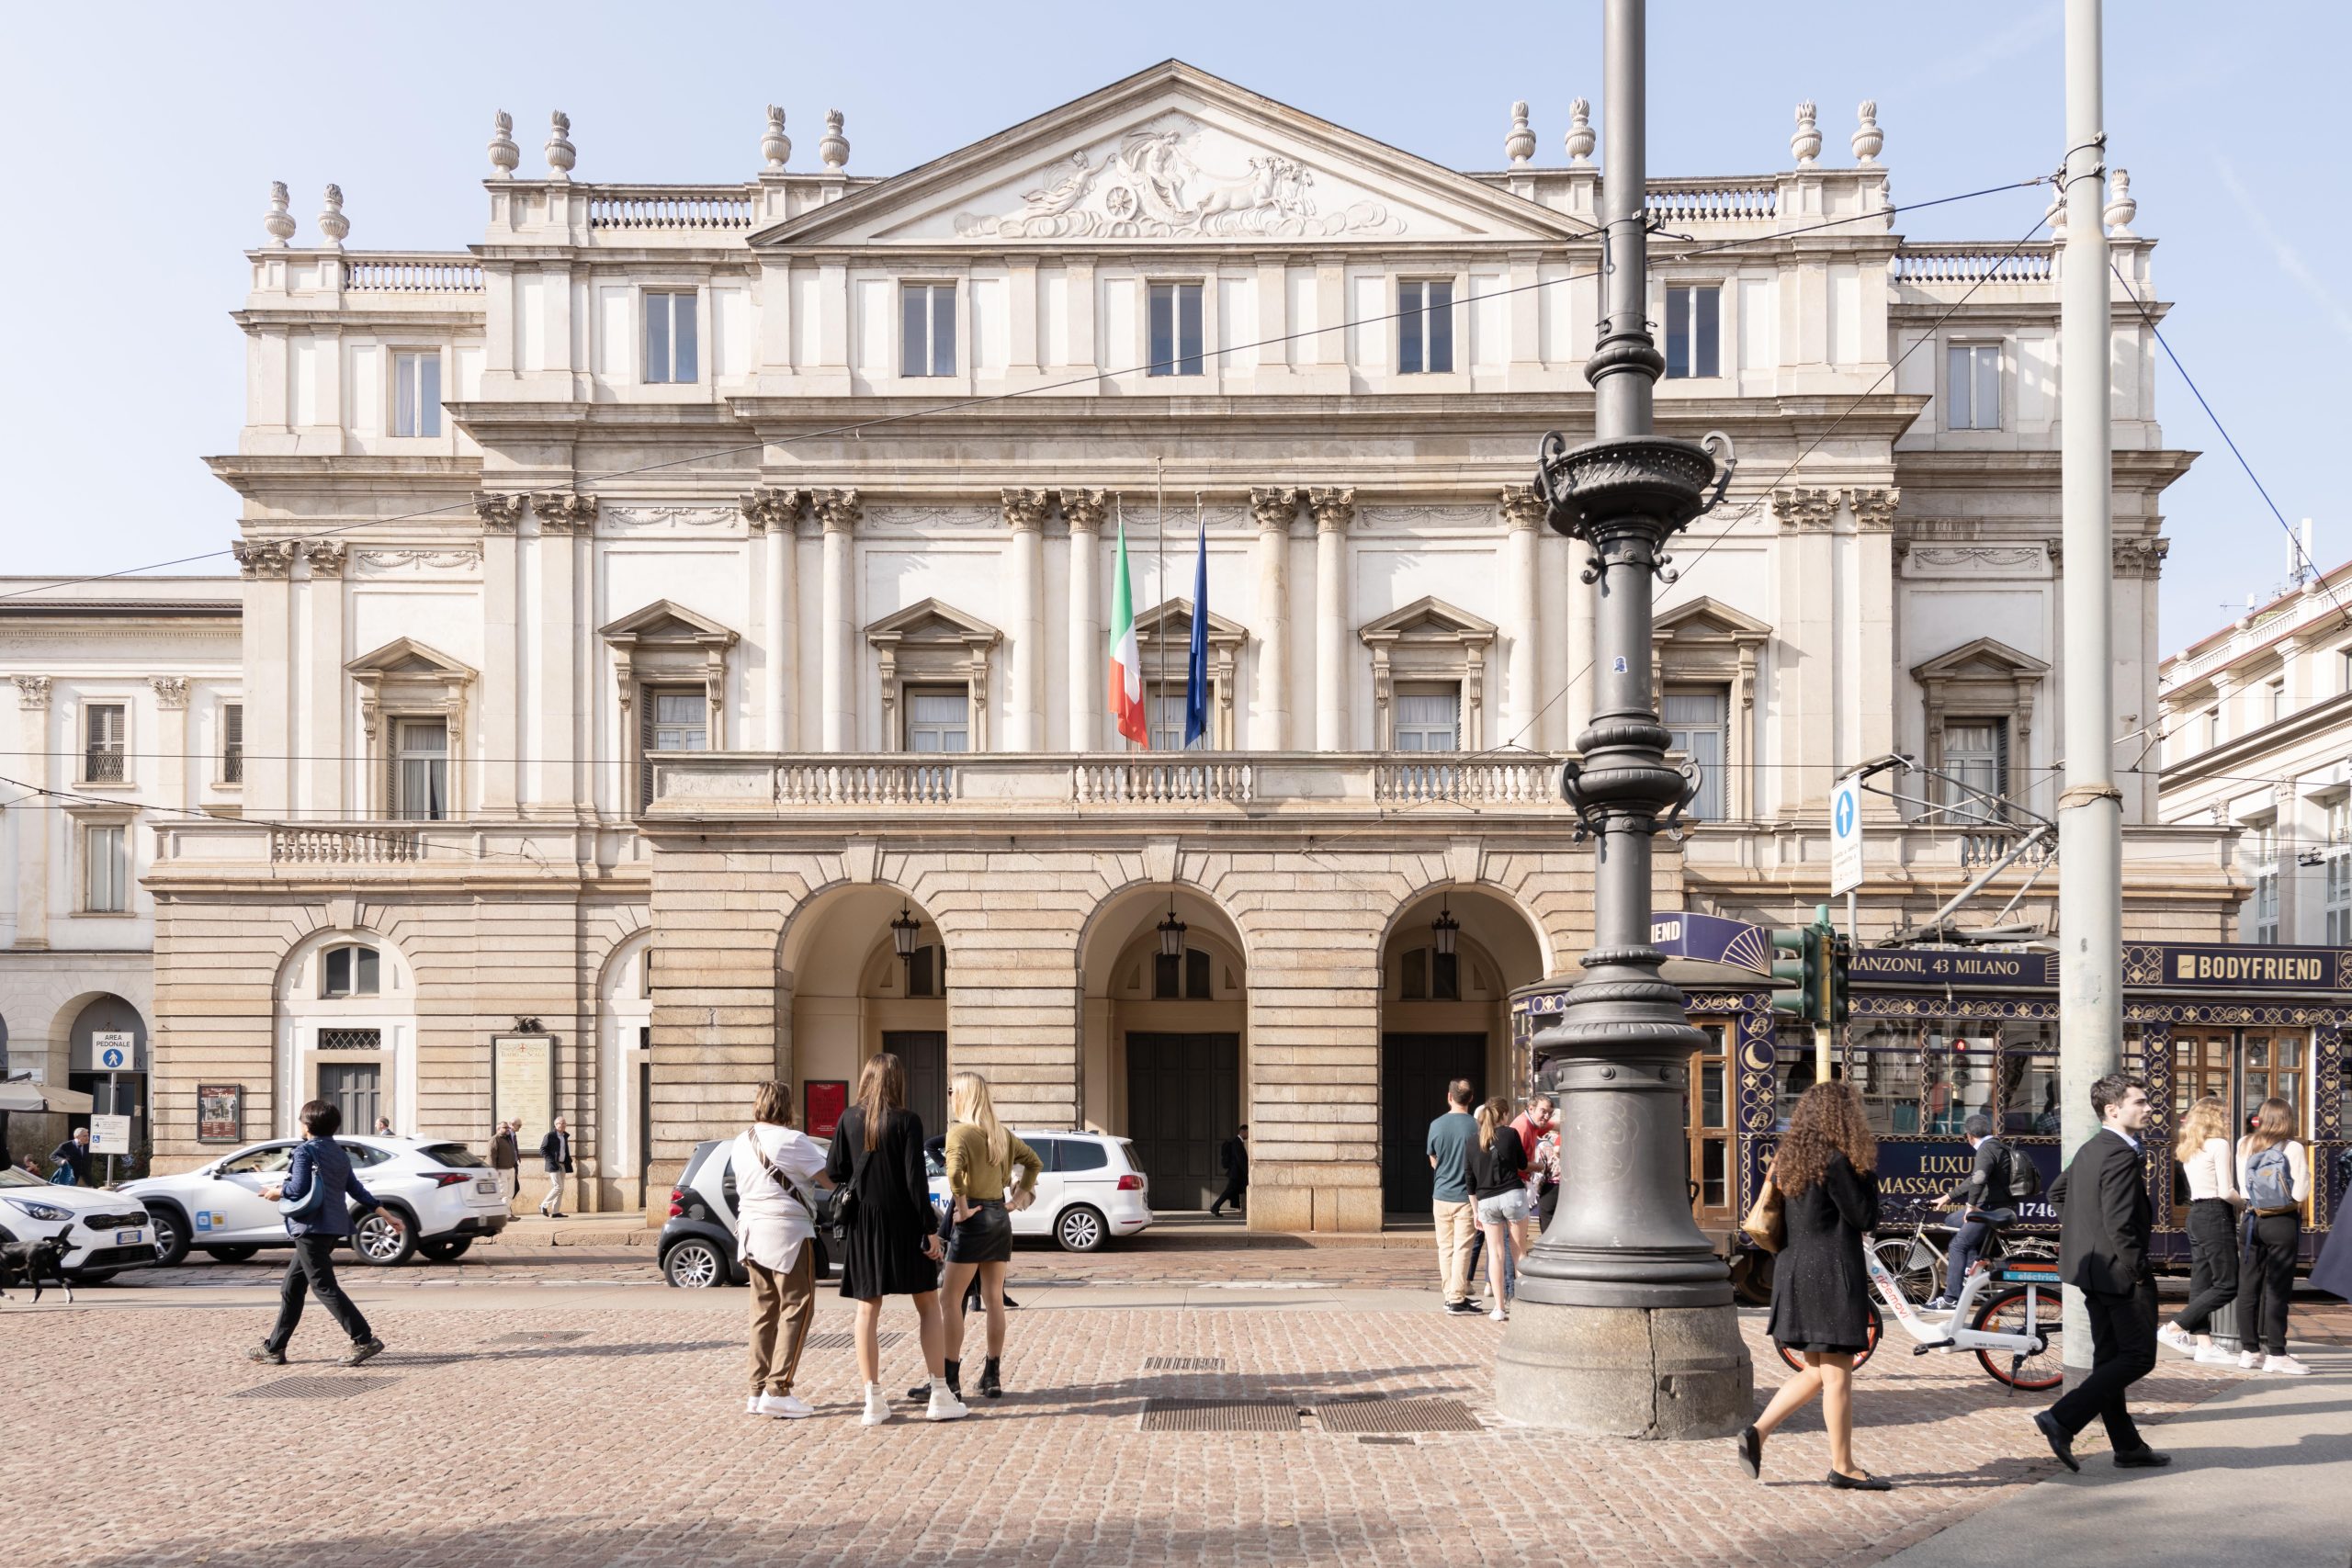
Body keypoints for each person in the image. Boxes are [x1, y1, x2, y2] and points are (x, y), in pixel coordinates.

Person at [1742, 1081, 1888, 1490]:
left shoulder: (1790, 1161)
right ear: (1844, 1119)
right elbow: (1864, 1218)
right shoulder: (1838, 1162)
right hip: (1831, 1273)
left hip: (1794, 1271)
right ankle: (1844, 1467)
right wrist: (1869, 1176)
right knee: (1838, 1374)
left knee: (1817, 1371)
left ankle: (1757, 1432)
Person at [2033, 1074, 2169, 1473]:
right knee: (2139, 1357)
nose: (2148, 1109)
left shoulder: (2093, 1148)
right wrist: (2136, 1269)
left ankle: (2127, 1447)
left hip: (2093, 1273)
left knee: (2111, 1359)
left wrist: (2086, 1235)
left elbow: (2058, 1193)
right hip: (2119, 1274)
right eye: (2139, 1102)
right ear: (2113, 1110)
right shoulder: (2120, 1153)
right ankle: (2062, 1418)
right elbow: (2120, 1220)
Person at [826, 1052, 966, 1424]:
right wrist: (929, 1230)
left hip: (864, 1226)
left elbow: (835, 1169)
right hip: (904, 1223)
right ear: (898, 1081)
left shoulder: (848, 1118)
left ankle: (872, 1399)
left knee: (867, 1310)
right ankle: (939, 1393)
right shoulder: (907, 1120)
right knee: (927, 1307)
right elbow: (914, 1180)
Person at [929, 1072, 1042, 1404]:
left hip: (974, 1217)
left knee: (950, 1300)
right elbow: (1034, 1162)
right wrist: (1017, 1199)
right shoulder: (1000, 1134)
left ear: (963, 1095)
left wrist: (961, 1209)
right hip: (998, 1219)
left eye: (952, 1091)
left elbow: (952, 1173)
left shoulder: (959, 1132)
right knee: (994, 1300)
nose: (949, 1096)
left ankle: (950, 1380)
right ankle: (992, 1376)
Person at [248, 1098, 386, 1367]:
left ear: (308, 1124)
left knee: (323, 1286)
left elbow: (297, 1189)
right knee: (292, 1287)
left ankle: (363, 1339)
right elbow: (356, 1189)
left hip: (312, 1227)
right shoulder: (337, 1152)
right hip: (330, 1228)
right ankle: (274, 1348)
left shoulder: (305, 1151)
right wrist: (387, 1215)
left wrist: (275, 1192)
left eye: (302, 1121)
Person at [730, 1080, 828, 1418]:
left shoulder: (741, 1141)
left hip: (750, 1233)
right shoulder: (793, 1139)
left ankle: (756, 1390)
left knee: (763, 1312)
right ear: (787, 1106)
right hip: (787, 1232)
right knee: (797, 1307)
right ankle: (779, 1388)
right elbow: (829, 1178)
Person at [2155, 1095, 2243, 1366]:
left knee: (2201, 1282)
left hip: (2196, 1215)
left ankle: (2205, 1346)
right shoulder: (2219, 1144)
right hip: (2216, 1214)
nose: (2227, 1118)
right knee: (2228, 1284)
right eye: (2224, 1114)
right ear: (2215, 1117)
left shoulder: (2190, 1146)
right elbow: (2226, 1190)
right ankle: (2173, 1329)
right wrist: (2246, 1204)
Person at [2235, 1097, 2312, 1375]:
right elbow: (2300, 1193)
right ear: (2287, 1119)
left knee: (2248, 1286)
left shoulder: (2244, 1143)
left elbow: (2244, 1187)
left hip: (2250, 1220)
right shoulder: (2292, 1147)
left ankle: (2249, 1351)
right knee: (2277, 1288)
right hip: (2281, 1221)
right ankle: (2277, 1353)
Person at [1927, 1112, 2012, 1311]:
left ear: (1969, 1136)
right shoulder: (1996, 1146)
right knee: (1951, 1220)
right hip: (1996, 1206)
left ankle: (1950, 1299)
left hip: (1990, 1208)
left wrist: (1971, 1206)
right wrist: (1947, 1197)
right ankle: (1970, 1267)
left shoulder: (1986, 1149)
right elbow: (1973, 1178)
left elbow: (1979, 1178)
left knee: (1957, 1246)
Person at [1467, 1097, 1527, 1322]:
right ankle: (1523, 1303)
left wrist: (1475, 1211)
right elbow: (1522, 1163)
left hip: (1486, 1200)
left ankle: (1499, 1308)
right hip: (1512, 1194)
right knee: (1519, 1251)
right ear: (1503, 1115)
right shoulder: (1511, 1134)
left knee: (1495, 1253)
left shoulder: (1472, 1141)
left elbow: (1469, 1180)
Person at [1426, 1079, 1479, 1315]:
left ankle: (1451, 1295)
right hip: (1466, 1196)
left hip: (1441, 1193)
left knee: (1445, 1247)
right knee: (1463, 1248)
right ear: (1470, 1098)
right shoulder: (1476, 1126)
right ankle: (1456, 1298)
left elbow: (1433, 1159)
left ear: (1449, 1097)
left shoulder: (1436, 1125)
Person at [1510, 1096, 1556, 1248]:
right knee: (1516, 1239)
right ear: (1531, 1109)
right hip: (1515, 1185)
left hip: (1521, 1183)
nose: (1547, 1116)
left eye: (1550, 1112)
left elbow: (1553, 1125)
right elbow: (1514, 1165)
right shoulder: (1522, 1127)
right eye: (1543, 1111)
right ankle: (1513, 1273)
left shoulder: (1533, 1122)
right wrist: (1539, 1167)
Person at [538, 1116, 573, 1217]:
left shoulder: (564, 1136)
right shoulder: (550, 1135)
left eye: (564, 1123)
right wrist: (551, 1160)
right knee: (558, 1187)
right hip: (553, 1165)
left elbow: (563, 1150)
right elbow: (542, 1150)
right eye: (560, 1123)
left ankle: (555, 1212)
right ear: (555, 1125)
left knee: (561, 1189)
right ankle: (543, 1205)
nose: (562, 1125)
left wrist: (568, 1159)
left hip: (563, 1164)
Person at [1210, 1125, 1249, 1218]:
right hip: (1237, 1174)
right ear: (1242, 1131)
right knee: (1229, 1191)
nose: (1248, 1135)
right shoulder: (1236, 1142)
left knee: (1240, 1190)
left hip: (1237, 1174)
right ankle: (1215, 1207)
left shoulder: (1238, 1141)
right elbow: (1240, 1159)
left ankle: (1215, 1207)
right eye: (1248, 1132)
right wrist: (1248, 1171)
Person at [488, 1120, 521, 1212]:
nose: (508, 1129)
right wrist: (493, 1171)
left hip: (511, 1169)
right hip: (501, 1171)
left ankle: (507, 1214)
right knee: (503, 1193)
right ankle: (501, 1213)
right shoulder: (495, 1139)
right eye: (505, 1127)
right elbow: (491, 1156)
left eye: (508, 1127)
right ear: (499, 1129)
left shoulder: (507, 1138)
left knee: (510, 1193)